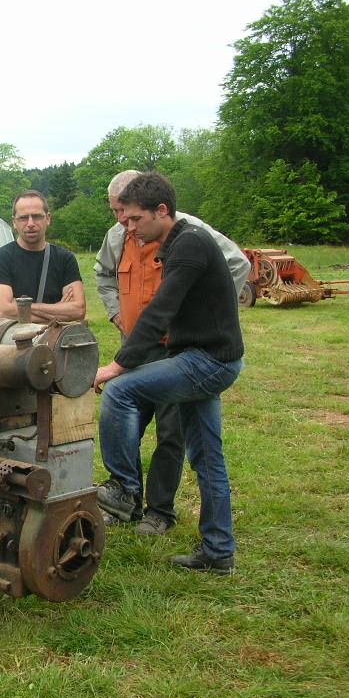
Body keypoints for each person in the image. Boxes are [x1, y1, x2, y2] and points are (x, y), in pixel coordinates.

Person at [93, 172, 244, 574]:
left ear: (161, 211)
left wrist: (116, 365)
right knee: (208, 459)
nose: (128, 227)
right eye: (124, 219)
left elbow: (160, 310)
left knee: (120, 391)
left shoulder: (190, 243)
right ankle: (219, 552)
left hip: (207, 362)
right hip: (206, 357)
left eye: (135, 219)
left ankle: (124, 490)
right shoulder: (176, 242)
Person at [0, 190, 85, 323]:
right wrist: (59, 309)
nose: (30, 223)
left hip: (55, 342)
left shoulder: (65, 259)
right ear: (14, 222)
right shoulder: (1, 258)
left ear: (48, 218)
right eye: (24, 218)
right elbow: (2, 313)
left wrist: (22, 307)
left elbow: (78, 311)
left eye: (37, 216)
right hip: (14, 342)